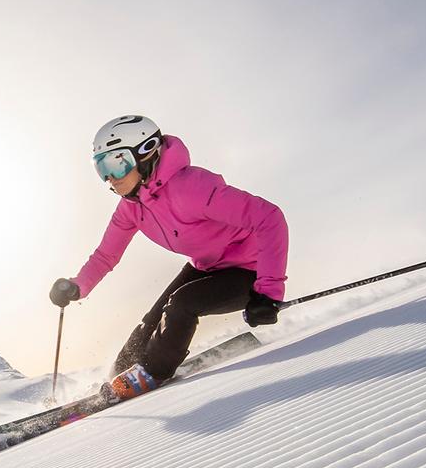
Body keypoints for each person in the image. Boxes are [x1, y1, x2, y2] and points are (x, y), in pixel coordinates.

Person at [50, 115, 288, 399]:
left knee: (181, 306)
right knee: (150, 321)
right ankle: (118, 377)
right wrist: (78, 286)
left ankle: (151, 373)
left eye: (117, 163)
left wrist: (269, 292)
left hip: (250, 270)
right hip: (207, 266)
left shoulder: (191, 188)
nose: (110, 178)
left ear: (147, 151)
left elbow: (269, 217)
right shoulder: (132, 207)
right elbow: (105, 255)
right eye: (102, 168)